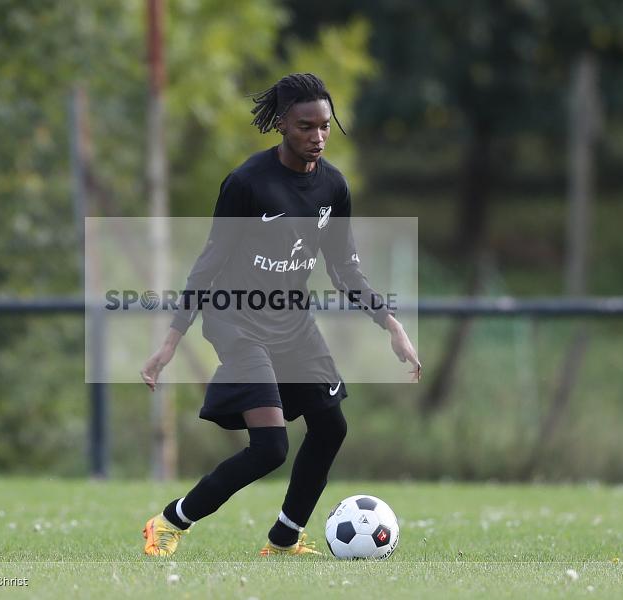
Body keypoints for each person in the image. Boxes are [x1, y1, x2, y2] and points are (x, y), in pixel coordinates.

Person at [140, 73, 420, 557]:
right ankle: (169, 521)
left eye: (325, 127)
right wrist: (170, 341)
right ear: (282, 125)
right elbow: (208, 262)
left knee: (331, 427)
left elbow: (345, 268)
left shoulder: (333, 186)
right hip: (238, 322)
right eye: (305, 126)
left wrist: (391, 325)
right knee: (270, 448)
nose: (316, 136)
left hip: (292, 322)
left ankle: (284, 540)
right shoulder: (247, 184)